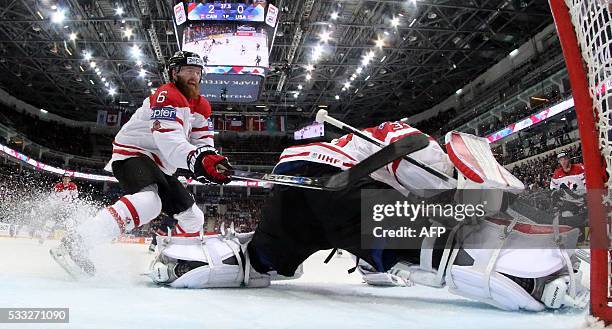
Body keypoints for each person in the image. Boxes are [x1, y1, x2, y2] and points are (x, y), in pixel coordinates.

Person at [147, 122, 587, 312]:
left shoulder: (370, 140)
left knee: (261, 259)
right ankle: (538, 277)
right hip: (335, 183)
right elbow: (416, 169)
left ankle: (207, 259)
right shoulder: (419, 146)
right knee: (442, 250)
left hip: (294, 182)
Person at [50, 51, 233, 275]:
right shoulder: (167, 95)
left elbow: (202, 143)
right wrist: (198, 161)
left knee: (193, 217)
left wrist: (214, 163)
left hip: (162, 166)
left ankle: (173, 261)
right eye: (188, 71)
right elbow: (170, 141)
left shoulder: (201, 105)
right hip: (132, 153)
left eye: (197, 72)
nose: (194, 76)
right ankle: (75, 244)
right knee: (149, 202)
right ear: (174, 73)